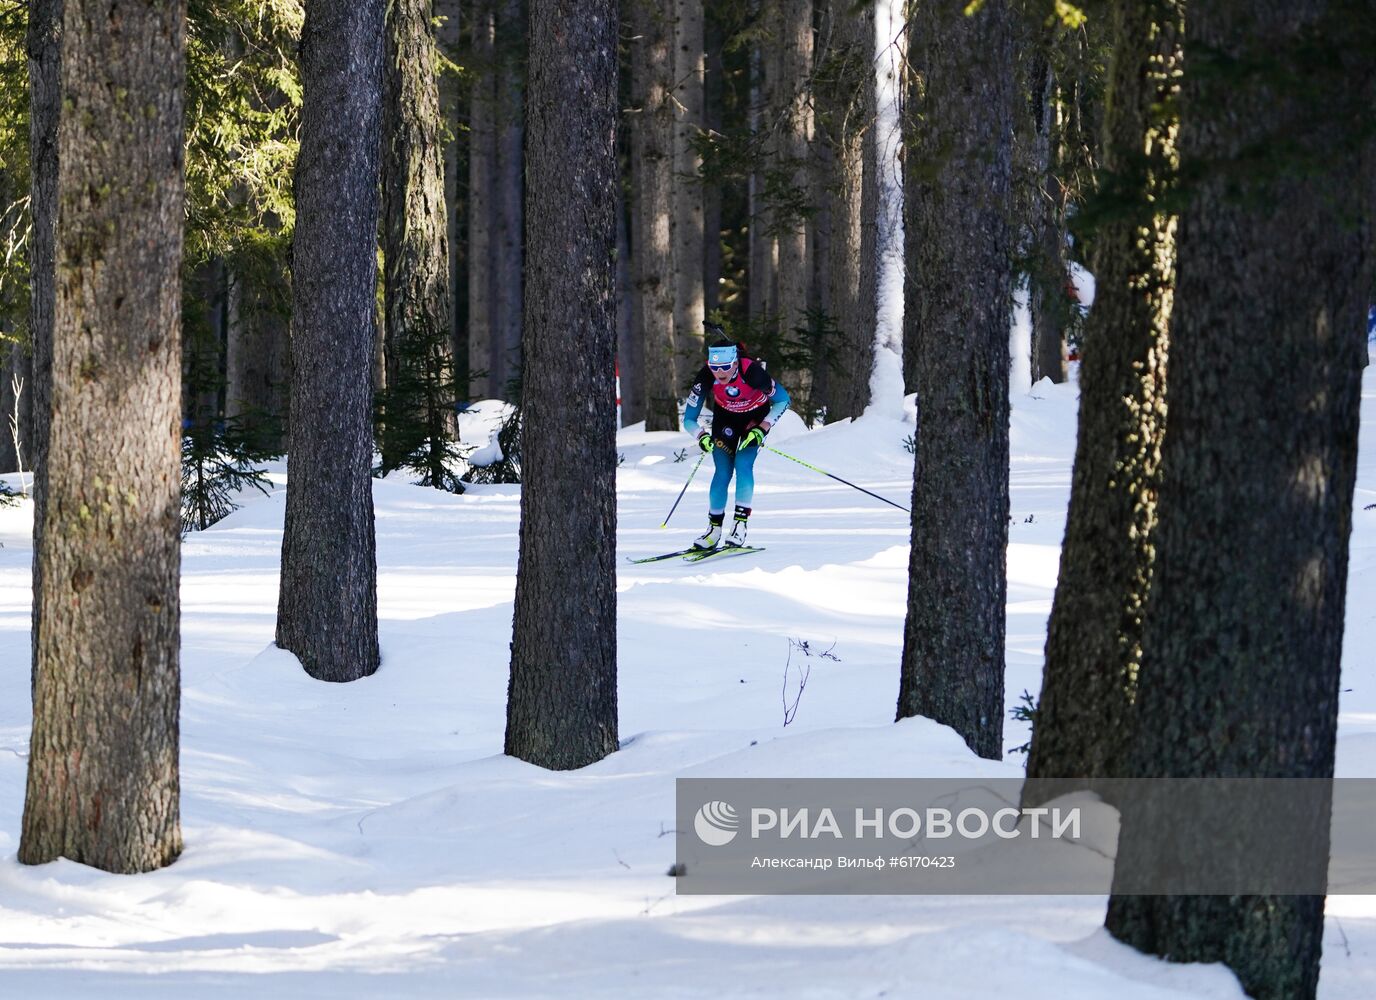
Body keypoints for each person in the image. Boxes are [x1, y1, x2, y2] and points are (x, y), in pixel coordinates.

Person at [682, 341, 791, 549]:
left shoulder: (752, 372)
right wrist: (701, 436)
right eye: (715, 367)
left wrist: (763, 427)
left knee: (743, 465)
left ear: (735, 362)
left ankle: (739, 526)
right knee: (722, 472)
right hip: (726, 421)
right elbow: (689, 419)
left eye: (725, 366)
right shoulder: (705, 377)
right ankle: (713, 530)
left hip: (754, 420)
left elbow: (783, 400)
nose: (720, 373)